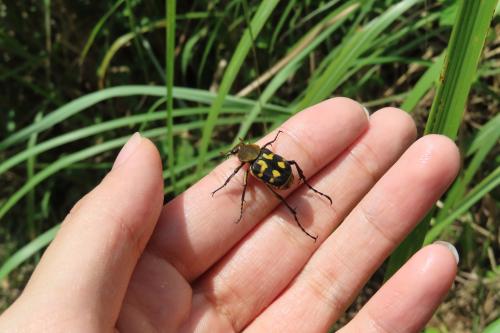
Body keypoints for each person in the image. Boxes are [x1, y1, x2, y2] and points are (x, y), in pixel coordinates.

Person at [0, 98, 460, 332]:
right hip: (280, 180)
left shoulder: (255, 159)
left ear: (246, 153)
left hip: (281, 181)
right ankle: (306, 205)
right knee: (278, 191)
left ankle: (306, 204)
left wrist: (244, 182)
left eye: (240, 155)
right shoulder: (258, 158)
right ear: (249, 153)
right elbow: (260, 168)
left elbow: (254, 172)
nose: (241, 157)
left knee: (275, 192)